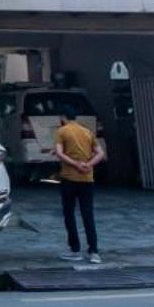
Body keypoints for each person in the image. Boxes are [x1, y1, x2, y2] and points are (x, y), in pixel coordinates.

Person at [53, 106, 104, 264]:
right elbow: (100, 153)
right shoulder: (87, 131)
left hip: (69, 178)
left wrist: (76, 164)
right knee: (88, 215)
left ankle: (75, 250)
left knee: (69, 214)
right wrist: (88, 165)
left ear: (63, 117)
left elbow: (60, 153)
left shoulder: (62, 131)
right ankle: (94, 252)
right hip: (87, 179)